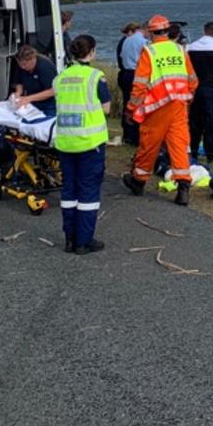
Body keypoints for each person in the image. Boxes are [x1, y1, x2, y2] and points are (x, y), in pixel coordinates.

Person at [122, 15, 198, 206]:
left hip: (157, 106)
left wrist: (131, 108)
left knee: (149, 144)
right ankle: (183, 188)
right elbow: (192, 80)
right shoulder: (180, 49)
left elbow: (139, 84)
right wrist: (187, 96)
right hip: (179, 104)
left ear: (151, 32)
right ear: (167, 30)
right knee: (179, 145)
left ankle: (138, 181)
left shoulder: (149, 52)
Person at [53, 35, 111, 255]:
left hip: (66, 142)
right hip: (89, 142)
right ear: (92, 52)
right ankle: (83, 242)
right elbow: (106, 109)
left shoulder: (61, 77)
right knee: (88, 192)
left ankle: (69, 238)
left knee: (69, 190)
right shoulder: (95, 77)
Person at [188, 21, 213, 163]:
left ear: (203, 31)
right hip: (209, 88)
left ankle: (193, 150)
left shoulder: (191, 47)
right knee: (210, 120)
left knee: (194, 120)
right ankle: (210, 152)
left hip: (193, 88)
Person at [118, 22, 149, 145]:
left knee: (128, 103)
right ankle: (137, 136)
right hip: (137, 74)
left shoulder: (127, 40)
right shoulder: (143, 42)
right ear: (146, 29)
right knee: (139, 104)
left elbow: (121, 56)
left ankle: (128, 134)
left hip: (126, 73)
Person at [10, 44, 58, 116]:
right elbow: (19, 81)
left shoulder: (45, 67)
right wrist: (18, 93)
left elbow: (52, 91)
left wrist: (28, 98)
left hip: (48, 104)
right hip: (32, 101)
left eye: (24, 64)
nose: (22, 67)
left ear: (32, 59)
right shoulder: (21, 66)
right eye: (20, 64)